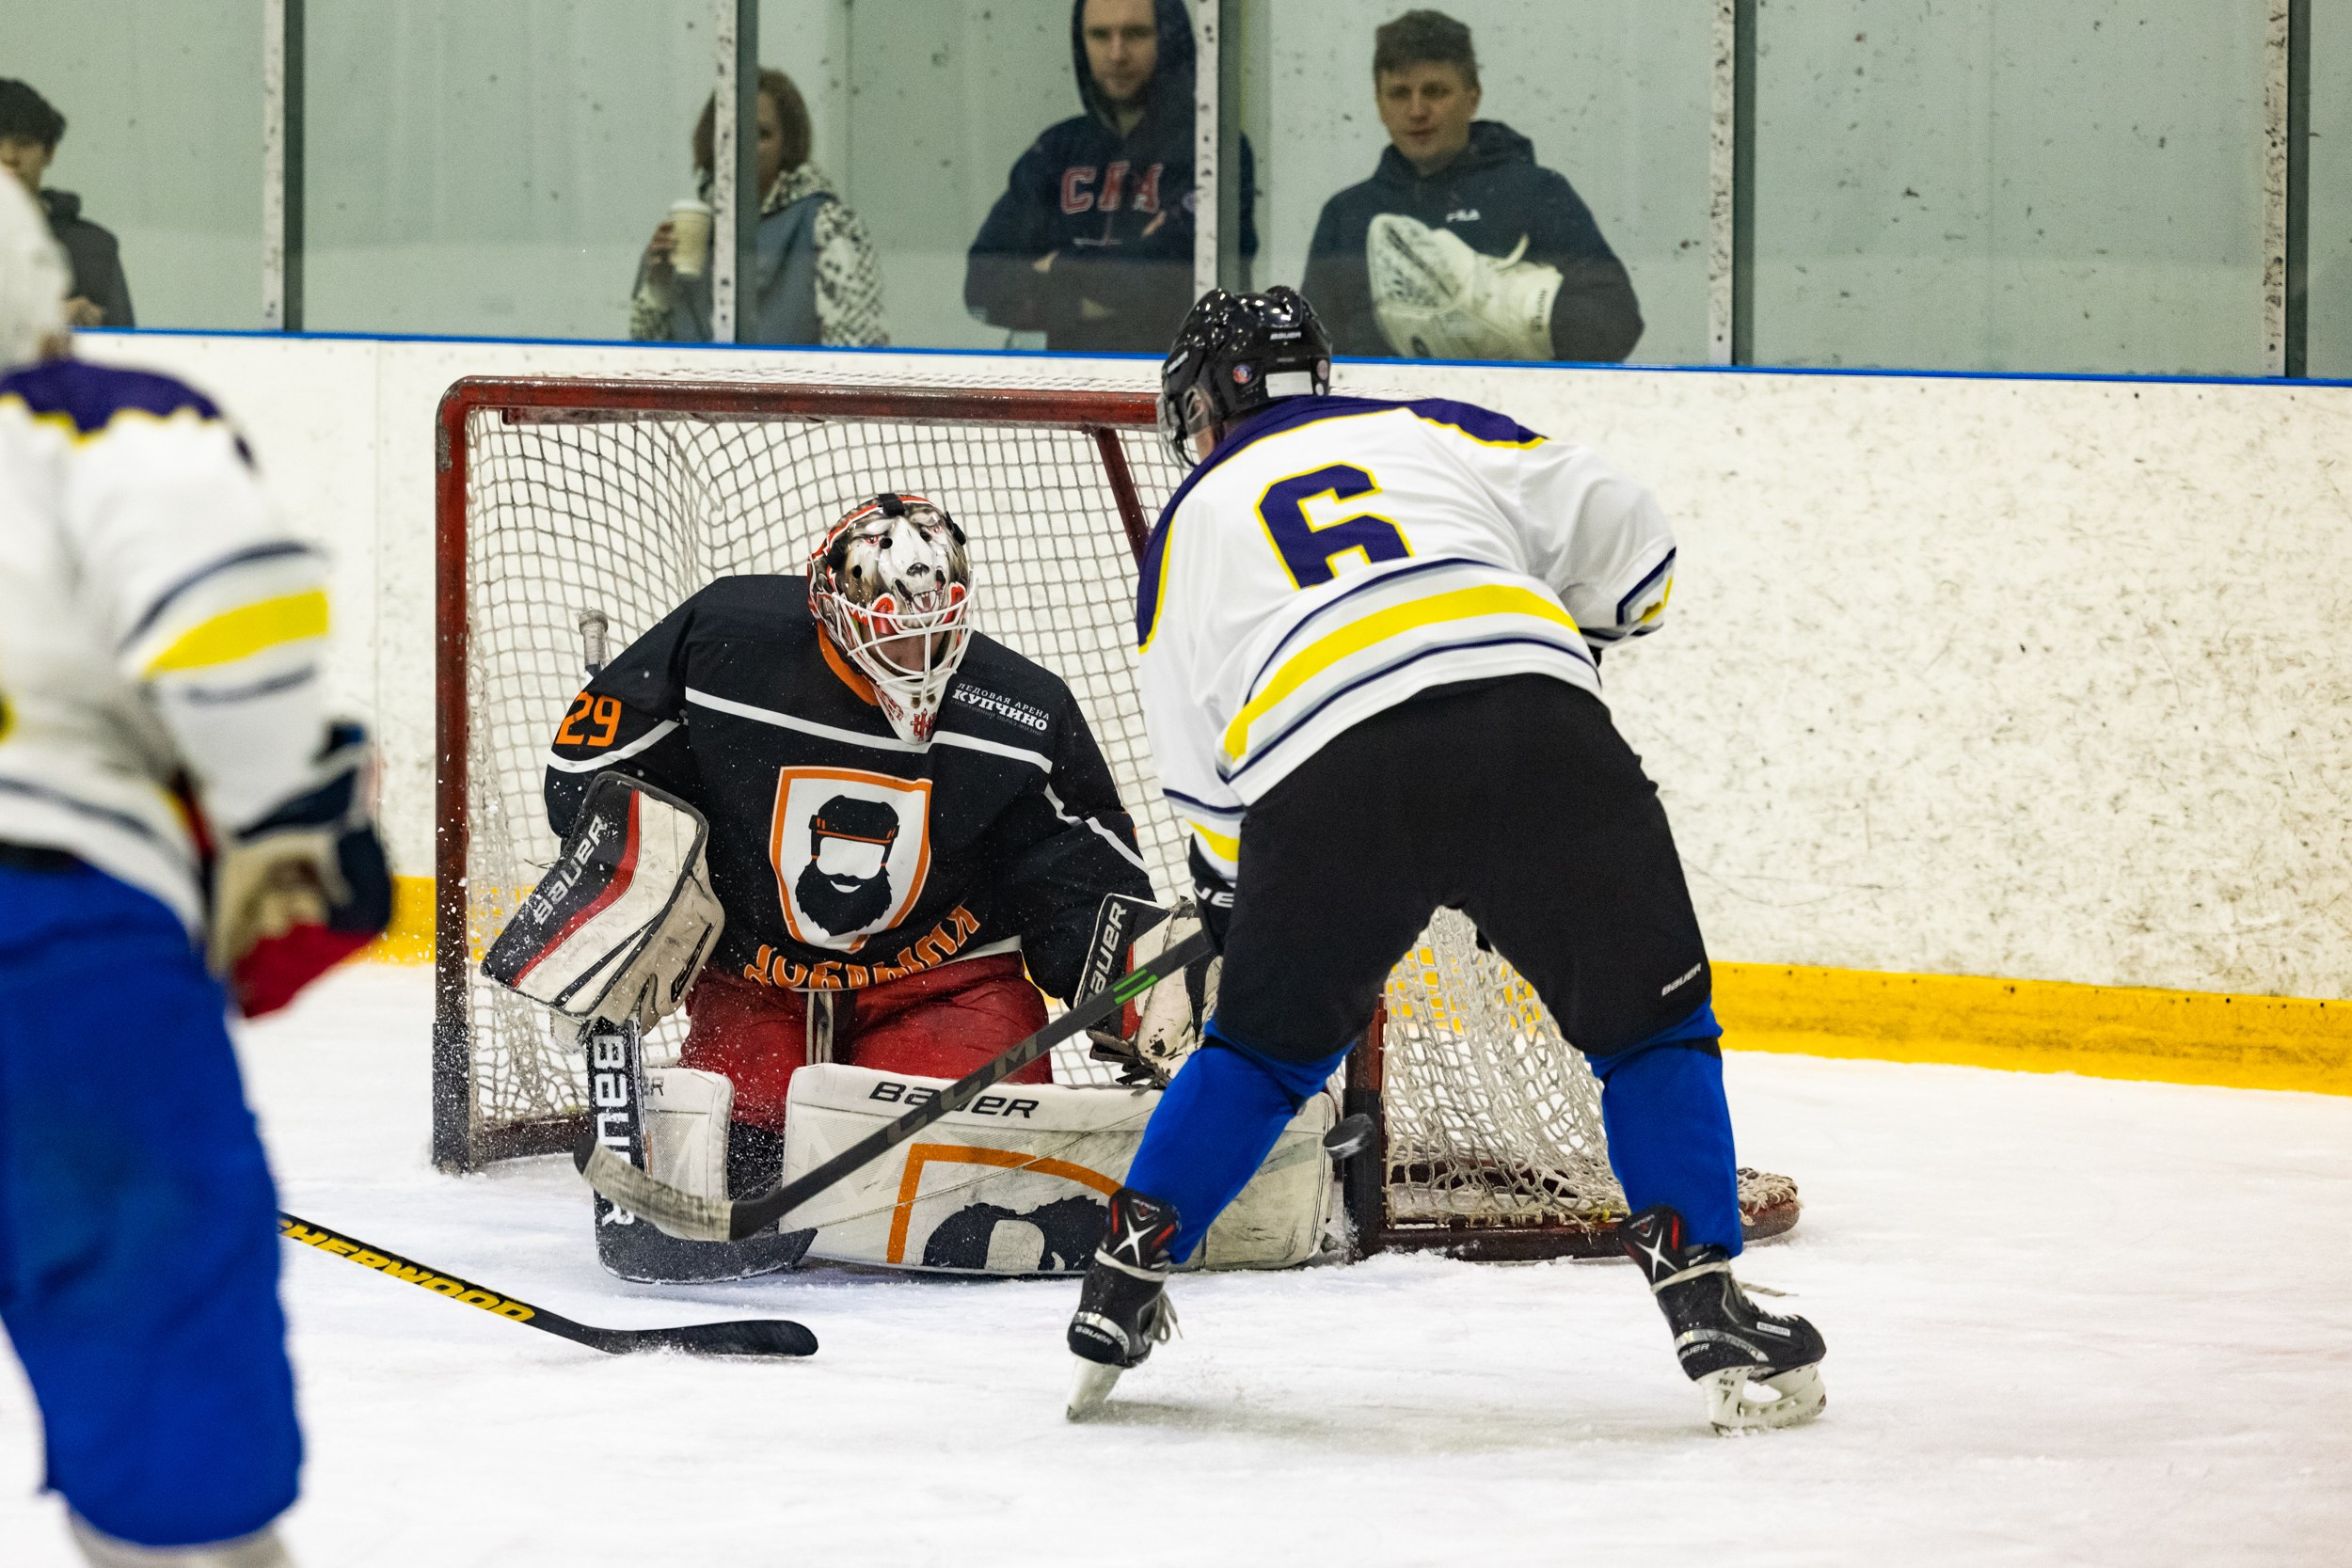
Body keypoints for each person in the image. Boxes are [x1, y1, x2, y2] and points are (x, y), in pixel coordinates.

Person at [1061, 288, 1825, 1434]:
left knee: (1262, 1054)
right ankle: (1702, 1292)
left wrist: (1233, 890)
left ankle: (1122, 1280)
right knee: (1650, 1032)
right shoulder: (1428, 423)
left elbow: (1197, 748)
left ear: (1198, 408)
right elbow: (1631, 532)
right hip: (1530, 721)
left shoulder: (1192, 517)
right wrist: (1597, 622)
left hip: (1325, 773)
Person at [0, 177, 389, 1565]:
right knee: (169, 1450)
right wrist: (281, 809)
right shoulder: (90, 418)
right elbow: (231, 621)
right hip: (51, 949)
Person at [543, 491, 1157, 1273]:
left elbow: (1078, 879)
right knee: (736, 1153)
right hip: (761, 978)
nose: (919, 661)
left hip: (939, 983)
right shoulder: (725, 641)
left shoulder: (1023, 712)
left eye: (936, 635)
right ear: (830, 610)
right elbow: (584, 773)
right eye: (892, 640)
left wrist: (1136, 985)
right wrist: (633, 889)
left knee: (973, 1172)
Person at [1299, 10, 1640, 363]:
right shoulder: (1347, 215)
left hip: (1507, 412)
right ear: (1380, 104)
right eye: (1399, 93)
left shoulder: (1537, 193)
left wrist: (1508, 309)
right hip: (1381, 415)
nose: (1416, 110)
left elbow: (1617, 323)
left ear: (1472, 97)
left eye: (1435, 91)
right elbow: (1312, 351)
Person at [964, 0, 1256, 354]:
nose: (1116, 54)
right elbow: (981, 287)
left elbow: (1174, 285)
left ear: (1168, 39)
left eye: (1135, 33)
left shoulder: (1212, 149)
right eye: (1100, 35)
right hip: (1071, 388)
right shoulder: (1057, 151)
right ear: (1080, 42)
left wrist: (1054, 266)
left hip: (1184, 384)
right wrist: (1118, 275)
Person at [629, 66, 886, 347]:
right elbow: (644, 355)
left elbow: (861, 353)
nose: (743, 144)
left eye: (761, 133)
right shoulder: (691, 228)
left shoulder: (828, 225)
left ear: (787, 144)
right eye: (731, 130)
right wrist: (659, 285)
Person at [0, 78, 134, 330]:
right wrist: (46, 320)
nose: (9, 156)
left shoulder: (94, 248)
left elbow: (125, 345)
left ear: (49, 152)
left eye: (24, 143)